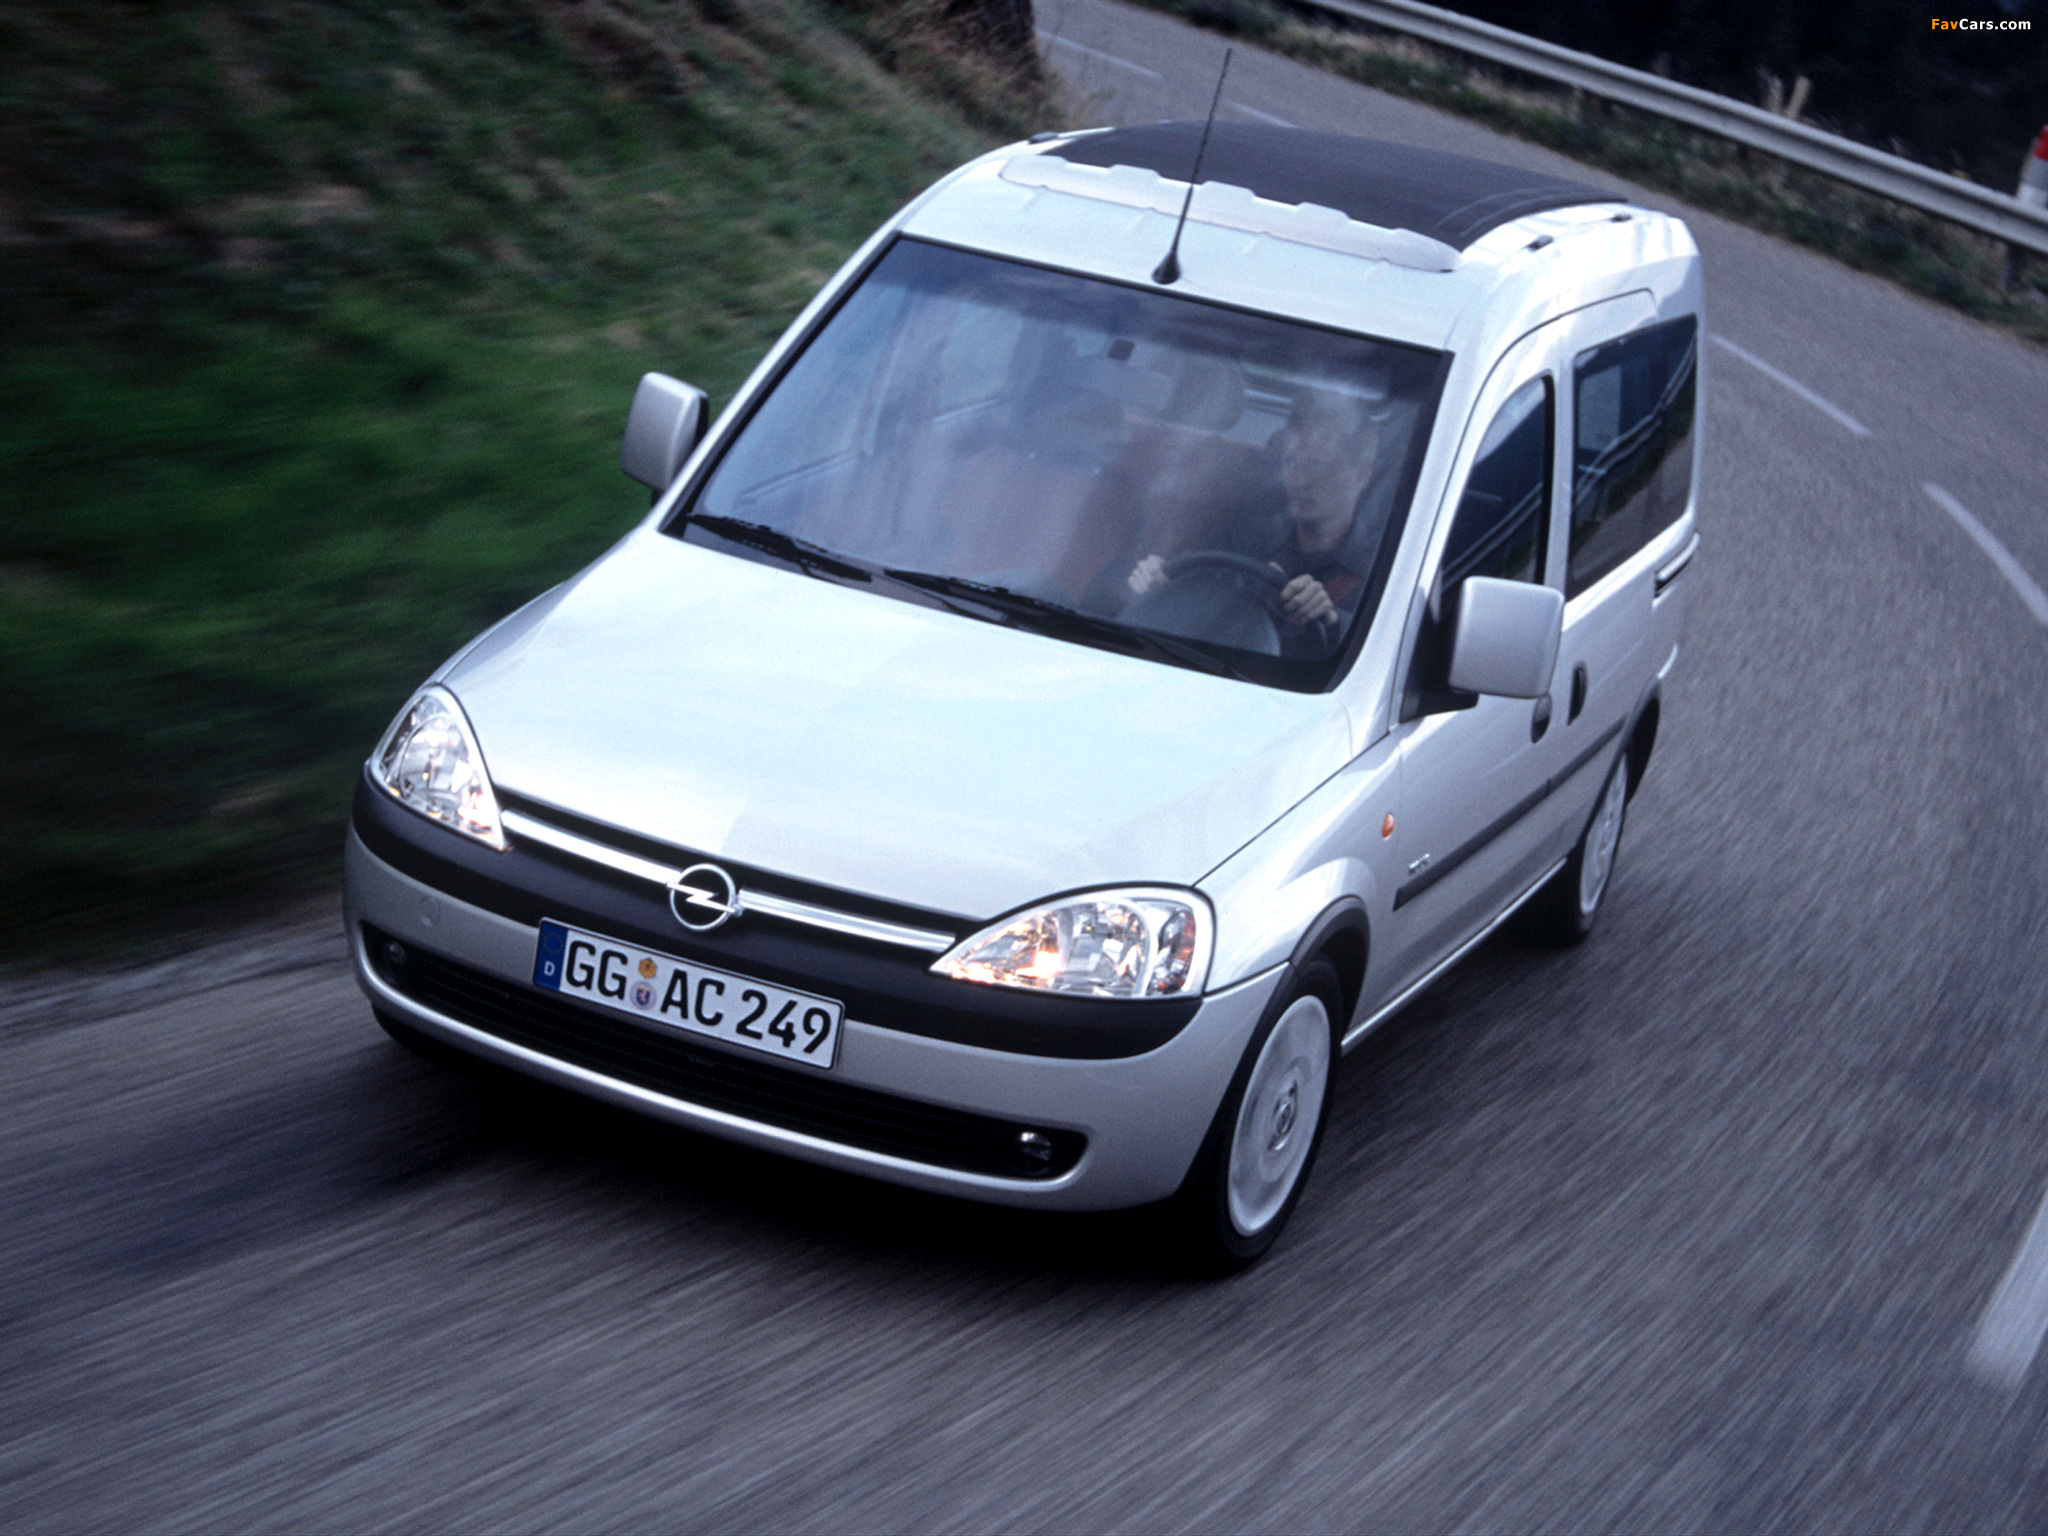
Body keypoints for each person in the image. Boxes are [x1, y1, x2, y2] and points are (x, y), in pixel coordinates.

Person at [1126, 387, 1385, 639]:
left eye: (1316, 465)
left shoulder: (1379, 563)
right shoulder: (1247, 534)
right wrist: (1157, 581)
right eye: (1290, 462)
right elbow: (1186, 585)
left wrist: (1332, 620)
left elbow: (1383, 643)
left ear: (1361, 476)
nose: (1298, 480)